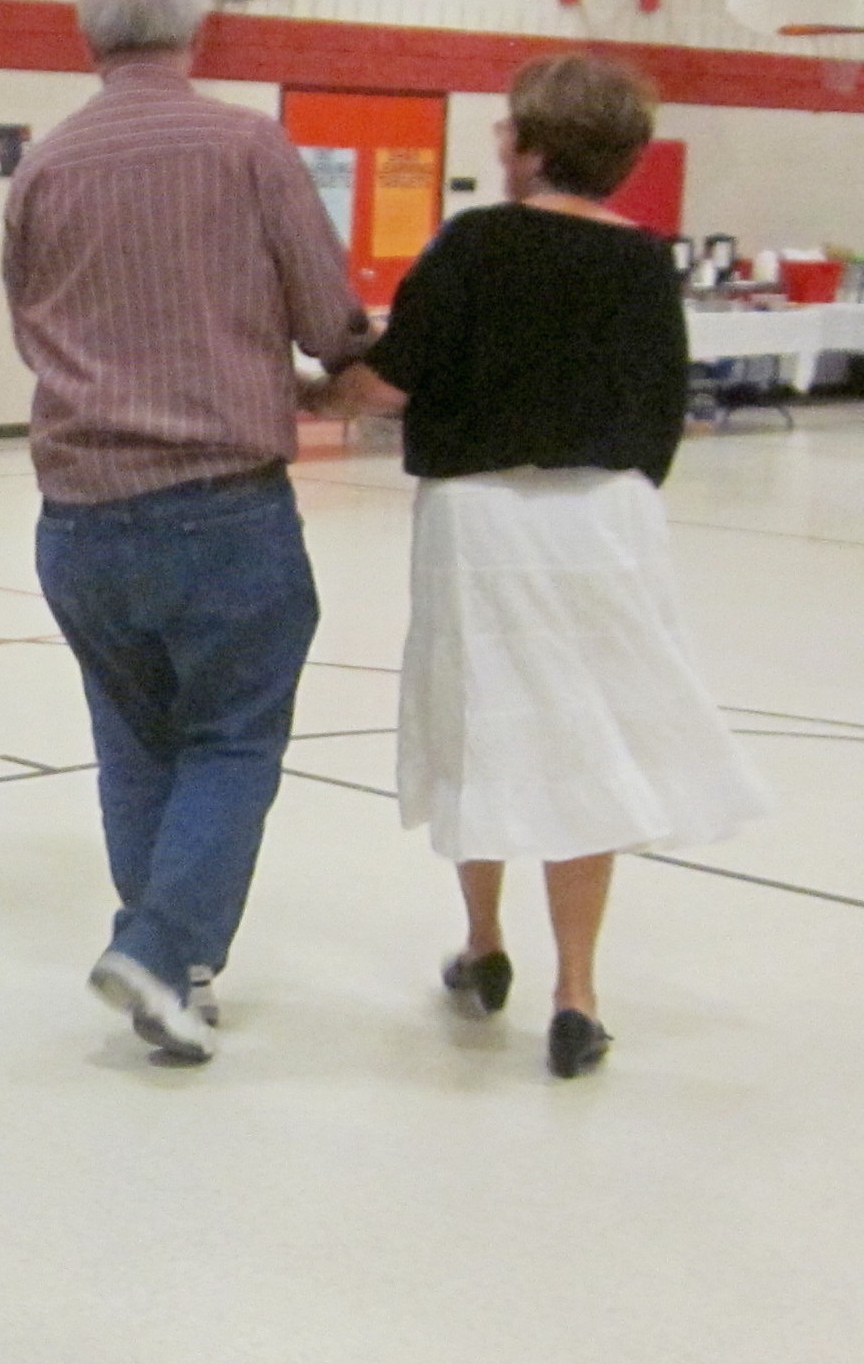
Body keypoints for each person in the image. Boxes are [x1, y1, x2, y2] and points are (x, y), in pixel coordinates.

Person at [326, 54, 768, 1078]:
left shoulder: (478, 243)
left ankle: (485, 945)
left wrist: (323, 392)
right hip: (608, 521)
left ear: (531, 144)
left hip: (482, 519)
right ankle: (578, 989)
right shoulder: (646, 262)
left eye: (508, 130)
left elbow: (390, 383)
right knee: (587, 736)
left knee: (478, 720)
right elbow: (666, 410)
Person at [0, 0, 370, 1063]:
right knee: (231, 738)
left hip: (79, 515)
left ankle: (176, 976)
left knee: (133, 740)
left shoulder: (44, 168)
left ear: (88, 37)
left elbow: (34, 330)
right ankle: (162, 950)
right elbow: (328, 322)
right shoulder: (248, 148)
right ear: (197, 31)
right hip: (222, 511)